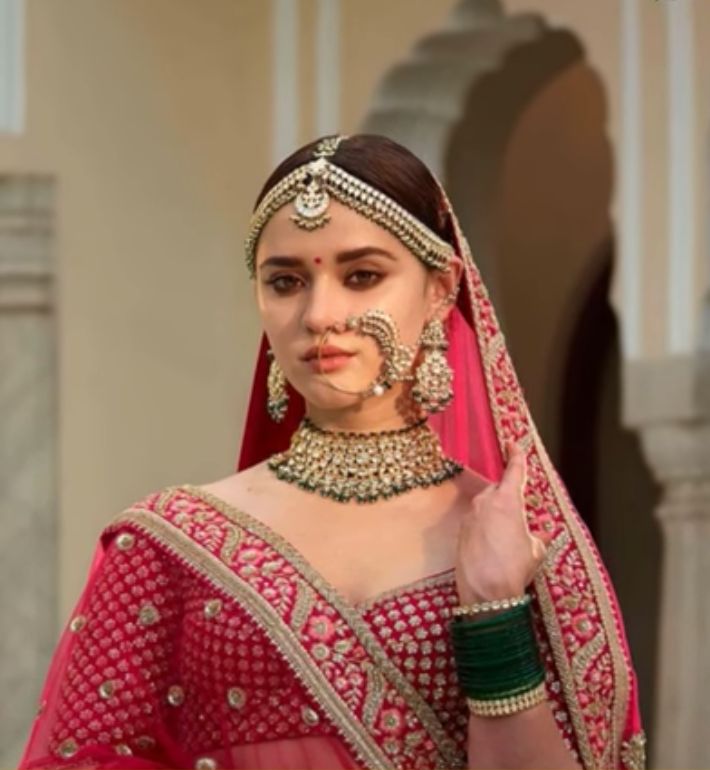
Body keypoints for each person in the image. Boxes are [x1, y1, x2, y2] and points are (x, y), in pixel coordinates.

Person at [18, 134, 646, 770]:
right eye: (286, 281)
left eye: (362, 275)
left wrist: (492, 612)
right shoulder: (170, 546)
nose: (320, 315)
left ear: (439, 288)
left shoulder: (517, 540)